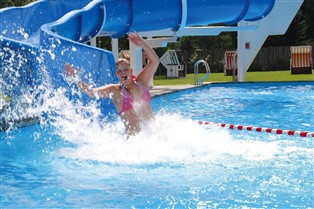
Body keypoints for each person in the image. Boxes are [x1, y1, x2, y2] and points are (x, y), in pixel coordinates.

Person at [65, 32, 160, 135]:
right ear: (116, 75)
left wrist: (143, 44)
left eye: (125, 69)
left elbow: (155, 61)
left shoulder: (141, 83)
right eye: (119, 70)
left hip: (152, 137)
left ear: (131, 71)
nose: (122, 72)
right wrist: (75, 78)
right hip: (135, 142)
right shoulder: (115, 91)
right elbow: (91, 92)